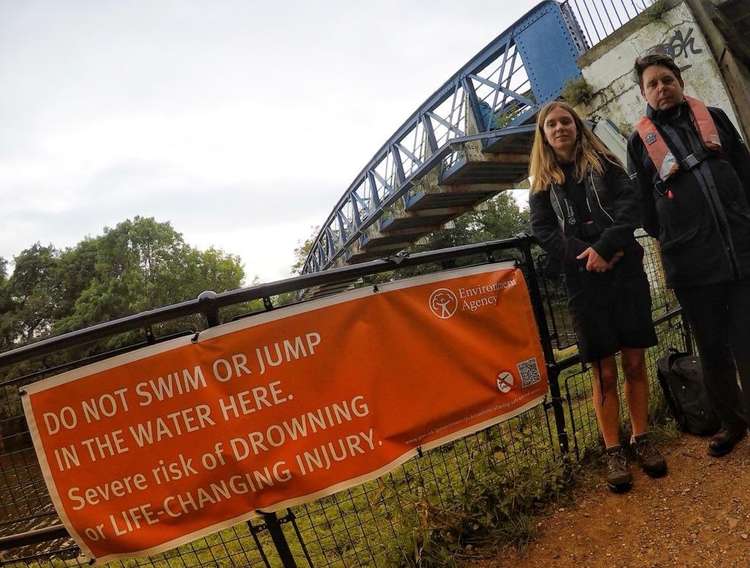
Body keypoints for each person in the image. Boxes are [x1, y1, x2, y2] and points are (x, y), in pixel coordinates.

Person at [529, 101, 667, 492]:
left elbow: (631, 204)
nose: (559, 128)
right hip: (584, 283)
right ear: (544, 134)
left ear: (577, 125)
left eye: (565, 121)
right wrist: (588, 257)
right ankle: (613, 449)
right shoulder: (540, 186)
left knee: (635, 362)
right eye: (551, 124)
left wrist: (607, 247)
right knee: (603, 369)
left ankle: (642, 437)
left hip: (624, 272)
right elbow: (544, 231)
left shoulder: (605, 163)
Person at [627, 52, 750, 458]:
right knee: (713, 348)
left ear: (679, 81)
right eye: (653, 84)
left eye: (667, 80)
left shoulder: (712, 116)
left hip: (742, 252)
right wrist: (682, 236)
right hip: (693, 266)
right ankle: (732, 423)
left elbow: (745, 172)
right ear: (644, 93)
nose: (662, 88)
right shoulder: (637, 142)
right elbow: (646, 211)